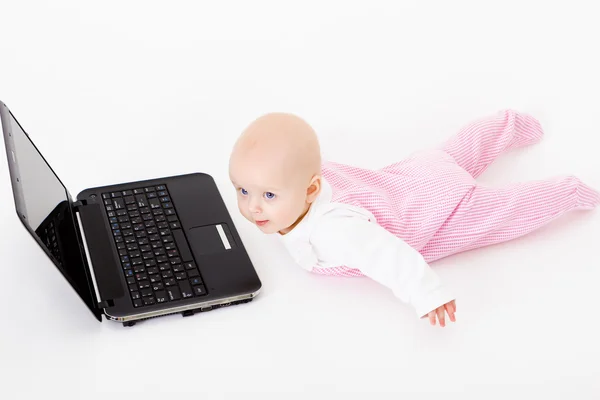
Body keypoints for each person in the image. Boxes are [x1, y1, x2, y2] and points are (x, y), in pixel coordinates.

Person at [228, 110, 600, 327]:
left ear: (310, 190)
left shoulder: (333, 232)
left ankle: (567, 191)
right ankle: (510, 123)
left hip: (441, 212)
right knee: (454, 154)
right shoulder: (312, 177)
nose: (252, 208)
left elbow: (389, 255)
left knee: (504, 212)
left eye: (268, 195)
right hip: (415, 176)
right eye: (242, 190)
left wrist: (428, 294)